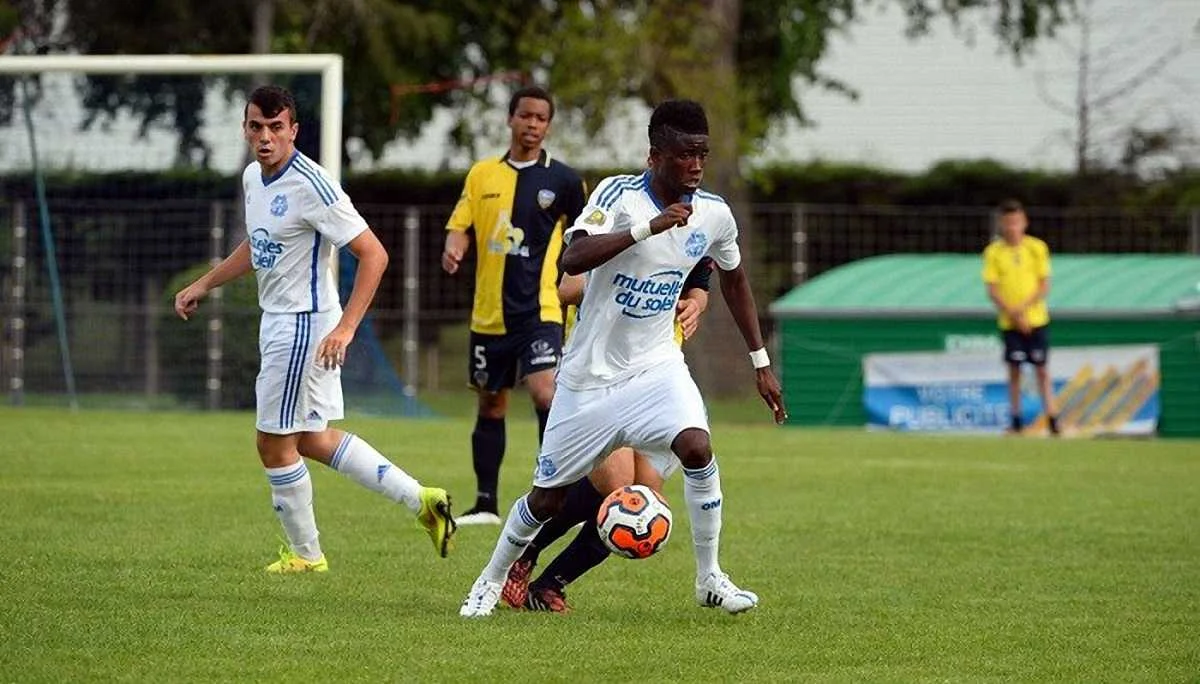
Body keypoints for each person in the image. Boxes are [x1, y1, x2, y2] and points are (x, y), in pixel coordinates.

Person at [460, 99, 787, 618]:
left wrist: (760, 361)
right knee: (546, 499)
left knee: (696, 448)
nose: (695, 165)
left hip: (656, 369)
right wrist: (647, 229)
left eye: (702, 154)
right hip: (589, 380)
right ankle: (491, 578)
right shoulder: (618, 195)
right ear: (655, 156)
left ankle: (709, 577)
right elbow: (572, 258)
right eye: (684, 155)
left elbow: (734, 279)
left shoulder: (714, 213)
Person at [173, 85, 456, 572]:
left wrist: (346, 328)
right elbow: (259, 245)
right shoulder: (253, 178)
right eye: (256, 127)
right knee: (310, 438)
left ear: (294, 131)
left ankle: (307, 556)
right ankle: (422, 500)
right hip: (283, 321)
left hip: (303, 325)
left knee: (272, 443)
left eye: (276, 127)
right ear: (245, 129)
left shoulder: (313, 184)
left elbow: (374, 255)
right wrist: (205, 283)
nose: (265, 137)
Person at [502, 258, 715, 613]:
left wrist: (694, 304)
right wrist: (633, 288)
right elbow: (567, 288)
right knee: (616, 488)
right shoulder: (610, 228)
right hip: (599, 377)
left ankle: (549, 585)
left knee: (644, 501)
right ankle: (525, 552)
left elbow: (700, 285)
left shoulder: (689, 233)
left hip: (658, 379)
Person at [442, 85, 587, 525]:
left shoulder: (565, 181)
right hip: (489, 314)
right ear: (510, 119)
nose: (532, 124)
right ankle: (486, 503)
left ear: (548, 126)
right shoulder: (481, 174)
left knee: (545, 392)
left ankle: (553, 494)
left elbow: (584, 240)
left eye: (541, 118)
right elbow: (460, 224)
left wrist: (576, 284)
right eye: (526, 115)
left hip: (541, 310)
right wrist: (455, 245)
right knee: (491, 404)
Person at [982, 199, 1059, 435]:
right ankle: (1016, 422)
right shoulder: (993, 252)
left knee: (1042, 370)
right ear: (1001, 224)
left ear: (1024, 222)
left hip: (1036, 320)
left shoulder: (1037, 248)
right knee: (1014, 370)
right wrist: (1014, 315)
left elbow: (1043, 285)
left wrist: (1023, 310)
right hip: (1010, 322)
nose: (1012, 227)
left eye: (1016, 222)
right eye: (1007, 223)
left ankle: (1053, 421)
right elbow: (992, 289)